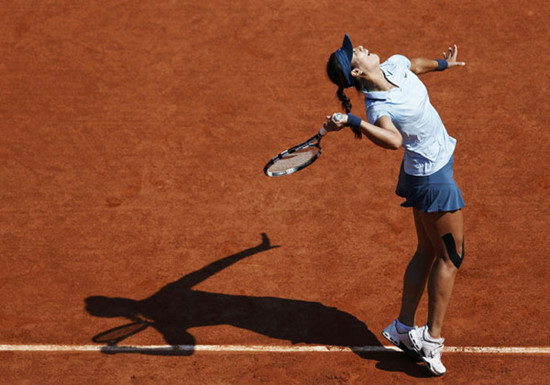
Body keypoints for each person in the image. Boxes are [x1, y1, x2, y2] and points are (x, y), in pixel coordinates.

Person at [323, 34, 466, 376]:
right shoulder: (378, 107)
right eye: (352, 53)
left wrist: (444, 63)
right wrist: (354, 121)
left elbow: (415, 65)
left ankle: (403, 327)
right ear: (356, 74)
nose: (358, 47)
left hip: (431, 169)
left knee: (426, 251)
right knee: (451, 257)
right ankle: (431, 340)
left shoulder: (393, 64)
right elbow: (393, 140)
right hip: (432, 180)